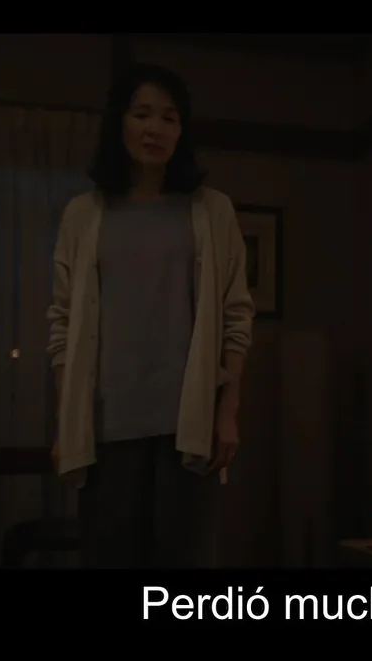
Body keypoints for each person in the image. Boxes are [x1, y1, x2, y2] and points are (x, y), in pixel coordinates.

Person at [47, 63, 255, 568]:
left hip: (188, 422)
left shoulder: (212, 210)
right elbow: (62, 322)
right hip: (106, 425)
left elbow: (236, 317)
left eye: (168, 117)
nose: (154, 128)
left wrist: (227, 412)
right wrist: (66, 418)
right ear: (120, 121)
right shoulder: (83, 214)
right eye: (142, 114)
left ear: (182, 130)